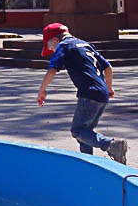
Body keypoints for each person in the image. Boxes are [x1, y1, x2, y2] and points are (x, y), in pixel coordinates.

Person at [36, 23, 129, 164]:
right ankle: (88, 161)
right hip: (102, 94)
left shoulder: (64, 46)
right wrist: (109, 88)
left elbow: (52, 70)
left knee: (77, 130)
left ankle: (111, 144)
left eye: (51, 47)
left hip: (89, 94)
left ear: (55, 40)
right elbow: (108, 67)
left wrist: (42, 90)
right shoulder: (85, 45)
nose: (53, 51)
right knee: (86, 131)